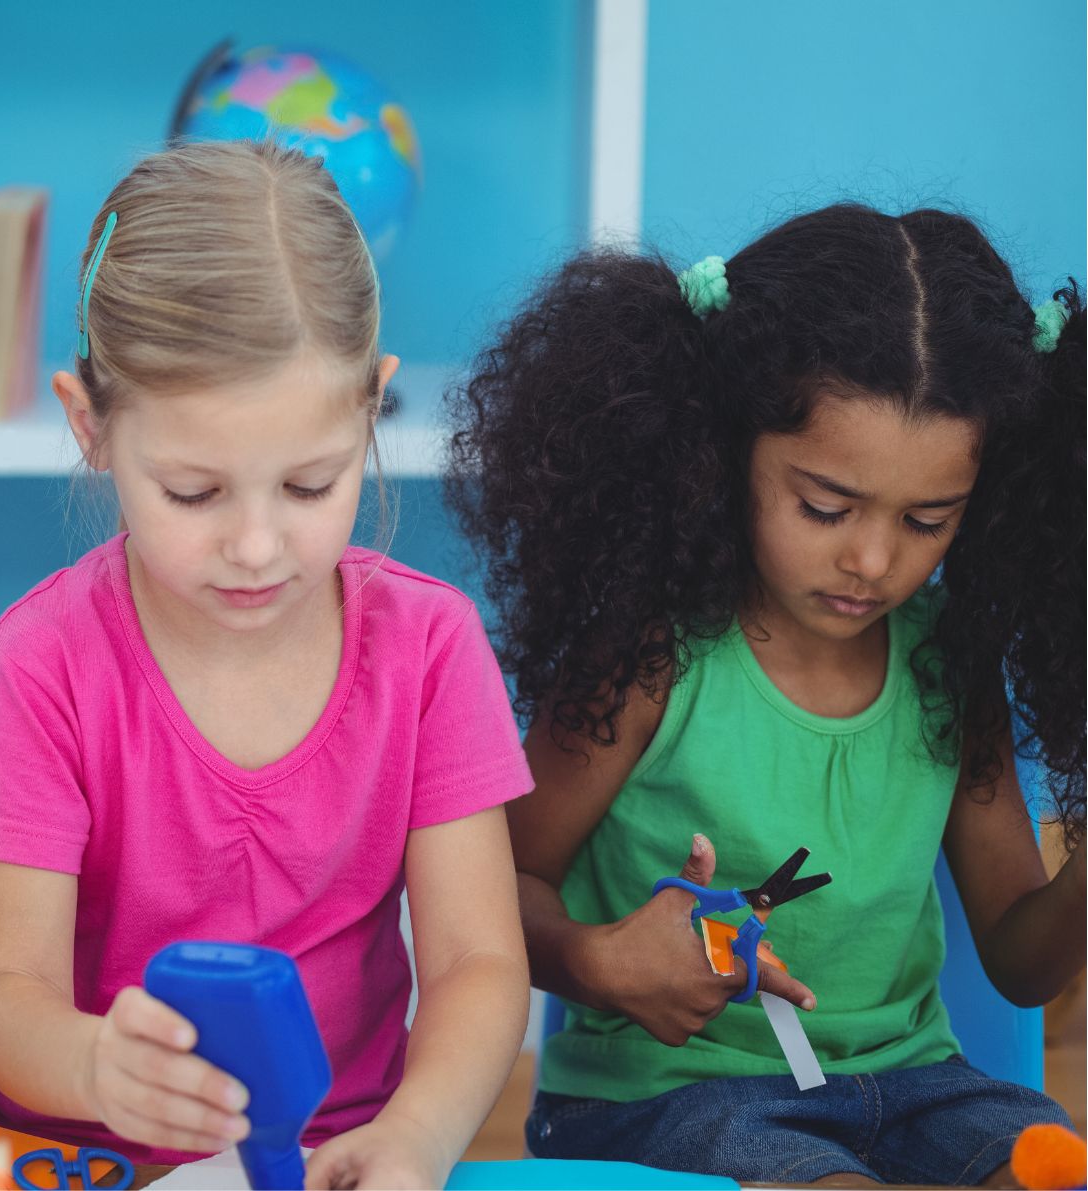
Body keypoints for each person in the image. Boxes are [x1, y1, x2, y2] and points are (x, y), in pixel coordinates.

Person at [0, 141, 532, 1189]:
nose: (257, 548)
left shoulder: (431, 649)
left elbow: (478, 964)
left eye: (310, 485)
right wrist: (94, 1067)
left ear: (372, 406)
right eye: (195, 494)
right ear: (90, 427)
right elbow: (4, 995)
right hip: (81, 1154)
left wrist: (419, 1136)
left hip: (340, 1156)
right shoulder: (37, 669)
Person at [447, 203, 1085, 1185]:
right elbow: (498, 888)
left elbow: (1020, 962)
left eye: (929, 519)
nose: (872, 559)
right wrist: (602, 961)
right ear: (723, 447)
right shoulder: (650, 658)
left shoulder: (946, 666)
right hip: (670, 1097)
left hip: (916, 1084)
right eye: (825, 506)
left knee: (1047, 1166)